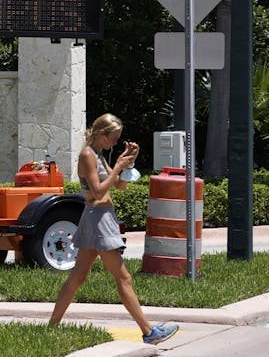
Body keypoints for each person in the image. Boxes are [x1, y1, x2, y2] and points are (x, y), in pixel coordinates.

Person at [48, 113, 179, 345]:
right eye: (114, 138)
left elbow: (119, 186)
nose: (116, 142)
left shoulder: (98, 155)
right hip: (98, 220)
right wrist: (118, 165)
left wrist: (128, 162)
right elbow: (98, 191)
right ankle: (149, 332)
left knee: (78, 277)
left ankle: (51, 327)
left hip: (97, 218)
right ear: (101, 134)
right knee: (124, 278)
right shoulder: (87, 155)